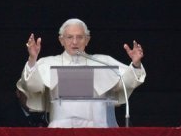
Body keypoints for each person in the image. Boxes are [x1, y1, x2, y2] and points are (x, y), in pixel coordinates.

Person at [16, 18, 146, 127]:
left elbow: (126, 83)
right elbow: (33, 86)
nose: (74, 42)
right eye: (69, 37)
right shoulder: (48, 63)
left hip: (98, 131)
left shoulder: (103, 62)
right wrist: (33, 59)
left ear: (87, 40)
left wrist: (135, 64)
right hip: (61, 132)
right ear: (61, 40)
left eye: (79, 37)